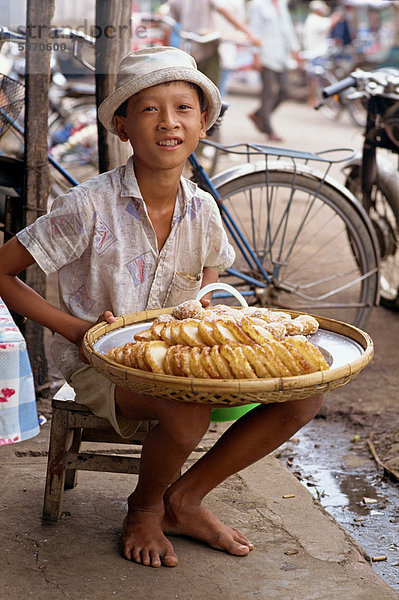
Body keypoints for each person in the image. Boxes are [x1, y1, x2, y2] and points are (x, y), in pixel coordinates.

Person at [0, 46, 322, 568]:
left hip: (180, 358)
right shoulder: (86, 206)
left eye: (183, 108)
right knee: (185, 406)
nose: (168, 122)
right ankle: (145, 507)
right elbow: (3, 270)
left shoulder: (202, 207)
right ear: (122, 126)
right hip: (99, 365)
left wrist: (206, 305)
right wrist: (79, 330)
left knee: (305, 396)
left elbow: (210, 273)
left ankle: (184, 499)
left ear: (203, 125)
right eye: (149, 109)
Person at [248, 0, 302, 142]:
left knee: (285, 91)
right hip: (265, 55)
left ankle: (258, 114)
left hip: (281, 56)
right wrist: (255, 56)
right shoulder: (258, 5)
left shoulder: (282, 4)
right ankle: (268, 129)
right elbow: (254, 31)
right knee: (269, 92)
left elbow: (288, 29)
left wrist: (295, 50)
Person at [302, 0, 342, 106]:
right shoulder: (315, 20)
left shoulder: (311, 19)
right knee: (316, 78)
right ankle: (315, 99)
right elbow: (330, 22)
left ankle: (314, 99)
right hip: (316, 54)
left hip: (314, 54)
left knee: (314, 78)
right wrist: (338, 14)